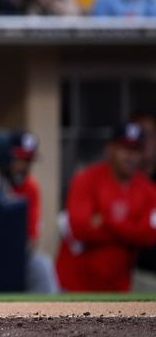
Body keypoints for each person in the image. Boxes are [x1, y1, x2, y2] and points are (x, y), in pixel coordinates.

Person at [56, 123, 156, 291]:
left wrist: (106, 220)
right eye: (125, 149)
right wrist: (131, 227)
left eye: (136, 150)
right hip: (74, 284)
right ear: (110, 149)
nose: (131, 156)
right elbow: (79, 228)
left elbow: (149, 236)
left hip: (119, 286)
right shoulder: (86, 179)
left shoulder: (148, 190)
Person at [3, 132, 60, 293]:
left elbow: (32, 238)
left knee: (43, 266)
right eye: (19, 159)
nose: (23, 166)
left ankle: (49, 316)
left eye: (27, 160)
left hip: (16, 255)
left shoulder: (31, 187)